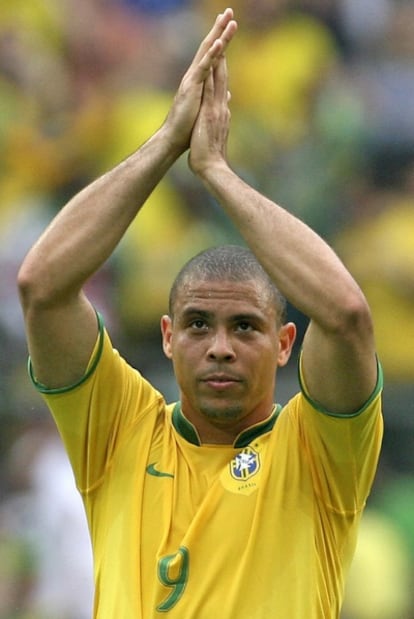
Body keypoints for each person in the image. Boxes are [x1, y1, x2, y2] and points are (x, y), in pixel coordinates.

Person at [17, 7, 383, 619]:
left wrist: (216, 172)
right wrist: (166, 142)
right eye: (197, 325)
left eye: (245, 326)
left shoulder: (319, 451)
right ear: (165, 337)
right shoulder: (121, 432)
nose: (219, 346)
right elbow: (42, 286)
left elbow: (345, 314)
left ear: (286, 342)